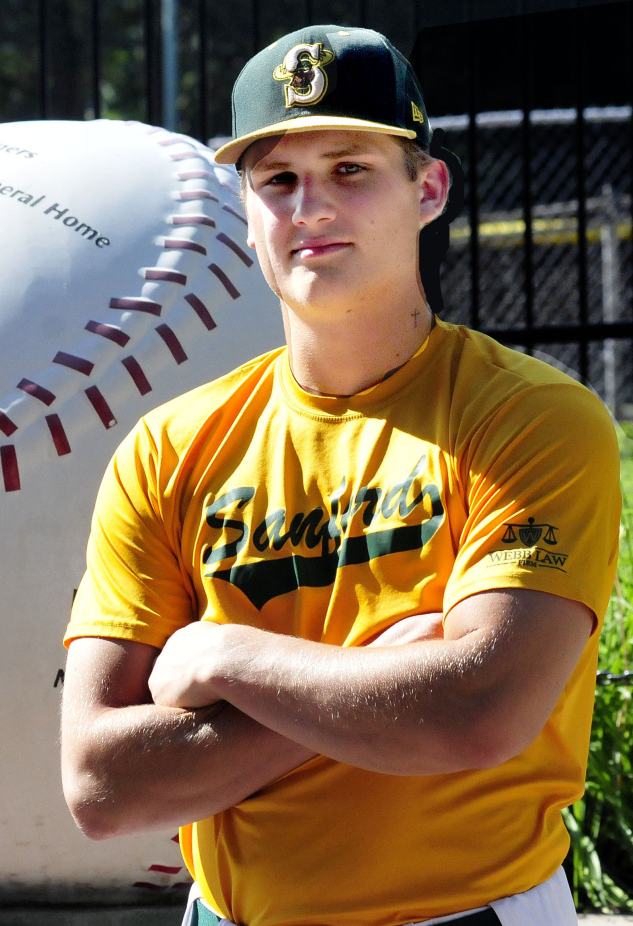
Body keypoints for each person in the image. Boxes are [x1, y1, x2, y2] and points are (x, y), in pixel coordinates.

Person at [60, 23, 621, 926]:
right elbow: (101, 783)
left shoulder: (528, 421)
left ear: (427, 189)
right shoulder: (170, 449)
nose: (309, 206)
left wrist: (227, 655)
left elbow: (477, 713)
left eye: (350, 169)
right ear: (245, 212)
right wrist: (376, 681)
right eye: (277, 180)